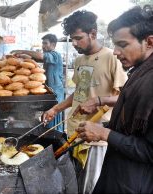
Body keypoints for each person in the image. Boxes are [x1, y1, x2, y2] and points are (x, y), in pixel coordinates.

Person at [43, 10, 127, 194]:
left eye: (78, 38)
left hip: (95, 138)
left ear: (93, 34)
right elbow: (79, 93)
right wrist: (56, 109)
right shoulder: (80, 60)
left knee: (90, 188)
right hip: (73, 132)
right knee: (74, 184)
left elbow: (125, 97)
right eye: (71, 39)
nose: (74, 43)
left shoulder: (113, 58)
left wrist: (98, 100)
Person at [74, 5, 153, 193]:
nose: (116, 51)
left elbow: (149, 150)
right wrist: (105, 127)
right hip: (117, 175)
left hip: (135, 184)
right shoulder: (139, 72)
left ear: (149, 42)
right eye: (115, 44)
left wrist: (105, 134)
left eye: (123, 45)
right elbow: (131, 127)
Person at [12, 34, 65, 132]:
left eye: (45, 43)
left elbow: (40, 55)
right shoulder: (48, 56)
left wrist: (22, 50)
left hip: (56, 93)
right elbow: (36, 58)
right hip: (50, 91)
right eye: (42, 43)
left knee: (53, 117)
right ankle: (49, 134)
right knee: (48, 116)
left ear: (53, 44)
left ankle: (55, 136)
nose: (43, 46)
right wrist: (21, 56)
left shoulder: (55, 55)